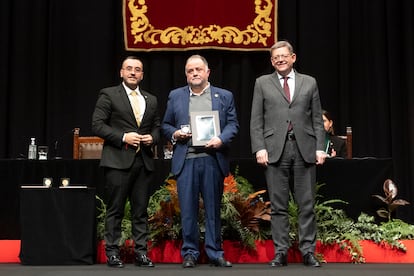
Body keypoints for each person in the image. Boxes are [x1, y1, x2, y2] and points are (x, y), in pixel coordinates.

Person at [250, 41, 327, 268]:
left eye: (284, 56)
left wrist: (320, 148)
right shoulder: (262, 83)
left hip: (305, 148)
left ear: (293, 58)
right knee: (278, 205)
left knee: (306, 204)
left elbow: (316, 119)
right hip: (275, 150)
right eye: (275, 57)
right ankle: (281, 252)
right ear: (271, 61)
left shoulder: (309, 82)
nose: (280, 60)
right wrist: (259, 147)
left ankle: (307, 252)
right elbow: (256, 119)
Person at [162, 55, 239, 268]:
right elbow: (166, 125)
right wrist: (176, 133)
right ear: (186, 74)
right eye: (190, 71)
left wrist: (221, 139)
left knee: (213, 210)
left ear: (207, 72)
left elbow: (233, 125)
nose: (194, 73)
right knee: (188, 210)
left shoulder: (224, 96)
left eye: (198, 69)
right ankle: (190, 253)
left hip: (212, 159)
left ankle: (215, 253)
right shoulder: (175, 96)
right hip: (186, 160)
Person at [92, 56, 160, 268]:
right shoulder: (109, 94)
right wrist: (123, 137)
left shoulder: (151, 99)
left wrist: (153, 138)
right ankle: (112, 252)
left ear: (142, 75)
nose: (133, 72)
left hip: (143, 162)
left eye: (137, 69)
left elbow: (157, 126)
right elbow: (97, 125)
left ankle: (141, 253)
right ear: (121, 72)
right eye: (129, 69)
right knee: (116, 210)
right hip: (117, 161)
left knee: (140, 211)